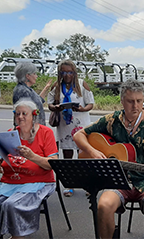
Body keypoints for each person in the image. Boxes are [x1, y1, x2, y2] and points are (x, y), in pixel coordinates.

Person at [73, 79, 144, 239]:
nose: (136, 106)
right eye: (130, 101)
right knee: (104, 206)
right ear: (122, 101)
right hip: (118, 179)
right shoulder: (112, 120)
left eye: (139, 101)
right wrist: (92, 152)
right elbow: (79, 135)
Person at [0, 99, 59, 239]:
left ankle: (17, 237)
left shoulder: (46, 133)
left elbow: (53, 163)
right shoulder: (11, 133)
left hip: (38, 182)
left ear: (33, 115)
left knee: (12, 205)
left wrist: (32, 157)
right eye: (17, 114)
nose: (20, 117)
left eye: (24, 113)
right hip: (10, 182)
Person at [48, 59, 94, 197]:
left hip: (80, 124)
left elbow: (90, 104)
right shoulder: (57, 86)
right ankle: (70, 184)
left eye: (69, 72)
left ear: (74, 72)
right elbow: (49, 104)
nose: (67, 75)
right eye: (64, 72)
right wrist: (56, 107)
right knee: (68, 155)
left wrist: (81, 109)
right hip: (65, 125)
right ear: (60, 73)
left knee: (83, 155)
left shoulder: (82, 85)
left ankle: (87, 184)